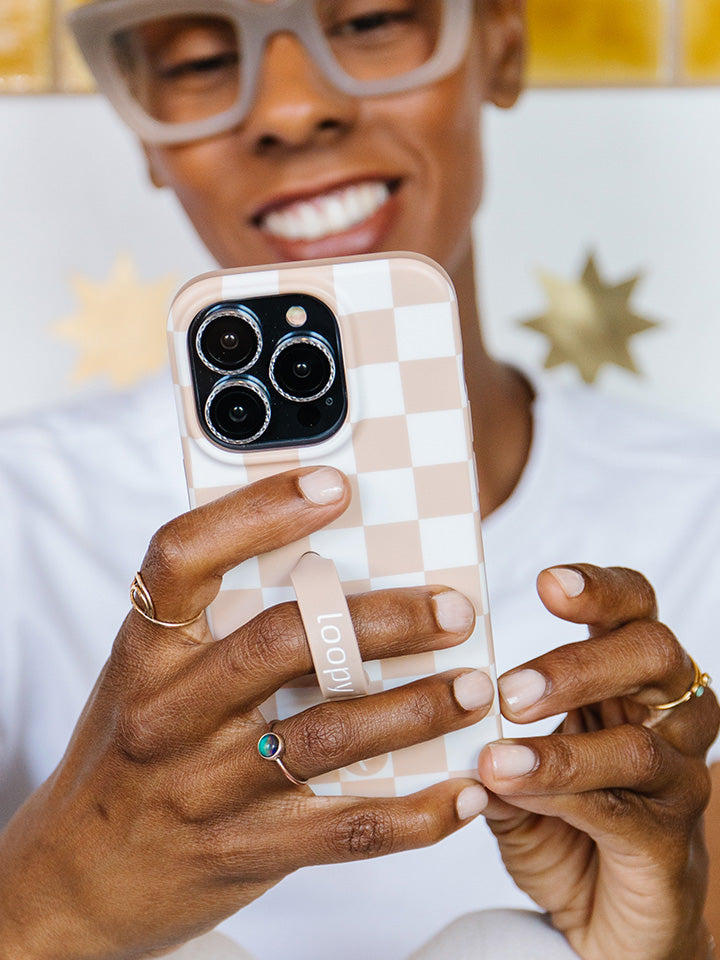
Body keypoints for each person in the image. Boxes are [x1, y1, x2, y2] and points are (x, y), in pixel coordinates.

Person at [0, 1, 718, 958]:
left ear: (501, 45)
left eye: (371, 18)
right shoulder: (20, 514)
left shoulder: (700, 512)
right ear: (142, 126)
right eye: (205, 58)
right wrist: (53, 905)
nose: (292, 108)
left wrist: (677, 945)